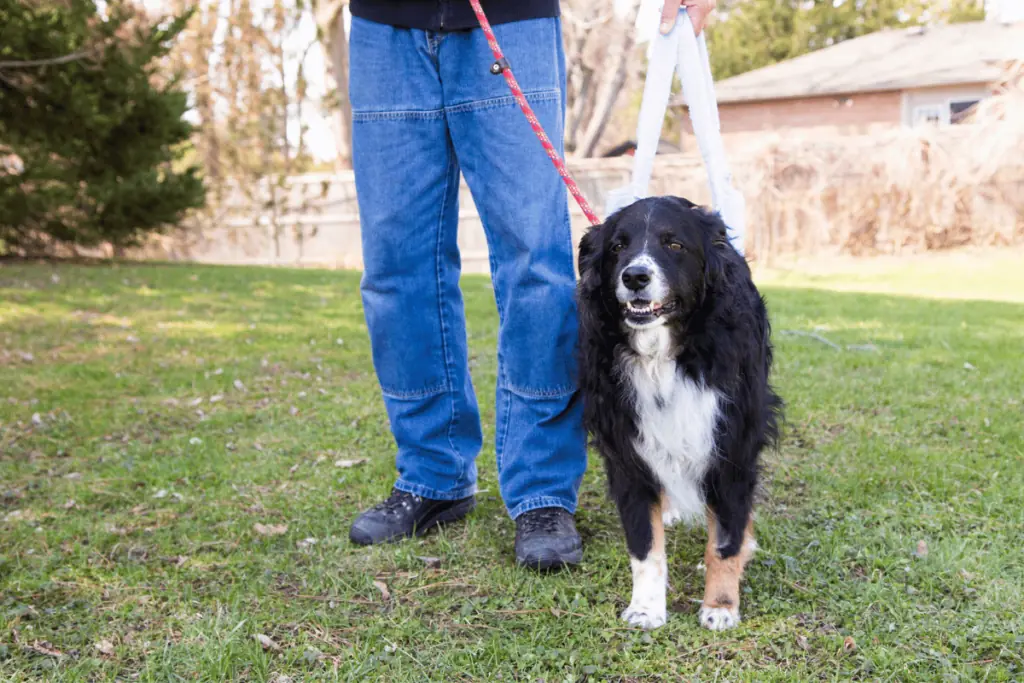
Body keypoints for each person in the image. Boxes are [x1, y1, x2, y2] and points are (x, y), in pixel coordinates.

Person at [346, 0, 716, 569]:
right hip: (384, 29)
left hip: (508, 19)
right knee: (396, 268)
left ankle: (542, 491)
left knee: (534, 267)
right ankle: (431, 474)